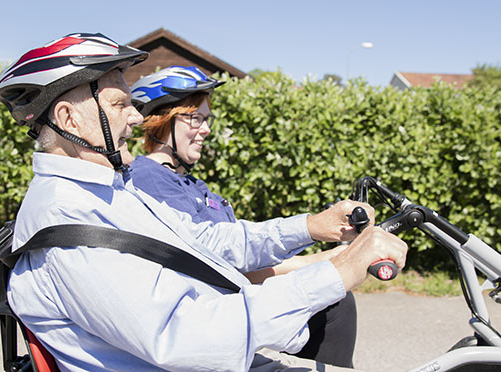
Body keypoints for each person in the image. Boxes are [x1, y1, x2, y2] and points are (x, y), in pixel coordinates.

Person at [0, 32, 408, 372]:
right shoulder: (69, 221)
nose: (136, 118)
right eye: (120, 104)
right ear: (69, 120)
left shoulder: (110, 192)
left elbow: (203, 241)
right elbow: (185, 338)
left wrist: (309, 226)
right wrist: (338, 270)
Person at [129, 66, 357, 367]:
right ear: (161, 120)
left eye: (206, 119)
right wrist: (323, 261)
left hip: (235, 298)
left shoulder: (192, 184)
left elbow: (241, 254)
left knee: (334, 296)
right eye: (195, 118)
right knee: (335, 304)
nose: (206, 129)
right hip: (211, 315)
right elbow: (213, 262)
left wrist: (331, 259)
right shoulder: (149, 178)